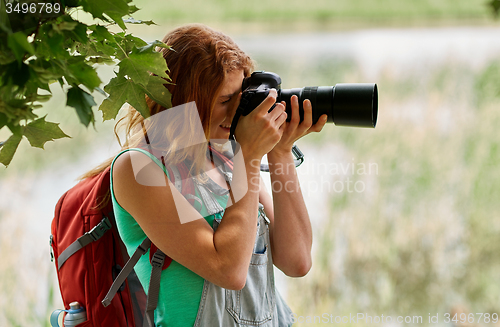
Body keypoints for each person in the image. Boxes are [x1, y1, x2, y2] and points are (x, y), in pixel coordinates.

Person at [82, 23, 327, 326]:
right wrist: (250, 157)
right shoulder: (138, 168)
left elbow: (297, 260)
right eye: (225, 101)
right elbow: (228, 271)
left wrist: (280, 151)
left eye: (241, 97)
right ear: (185, 100)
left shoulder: (226, 155)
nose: (238, 112)